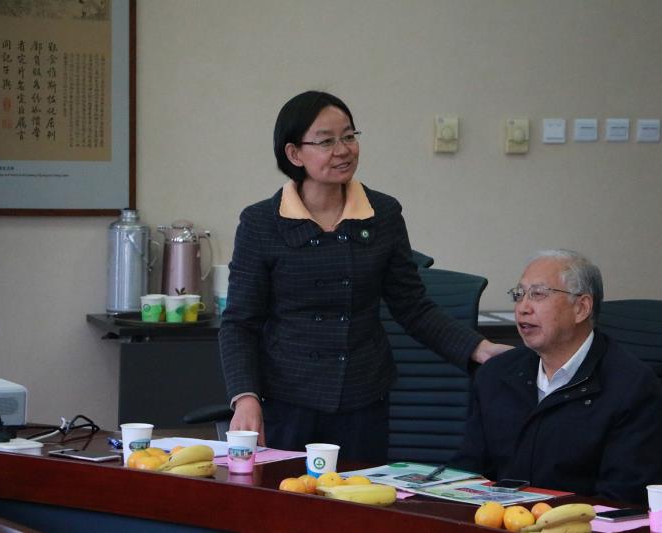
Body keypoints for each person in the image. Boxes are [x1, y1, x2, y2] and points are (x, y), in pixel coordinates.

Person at [219, 90, 512, 463]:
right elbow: (240, 323)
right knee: (286, 496)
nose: (343, 150)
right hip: (287, 400)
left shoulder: (382, 213)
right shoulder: (261, 222)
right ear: (294, 154)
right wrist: (245, 397)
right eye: (326, 141)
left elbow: (413, 306)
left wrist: (477, 348)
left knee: (358, 495)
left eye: (349, 136)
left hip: (362, 400)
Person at [450, 249, 662, 504]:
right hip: (498, 519)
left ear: (581, 308)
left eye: (538, 294)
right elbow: (467, 473)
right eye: (519, 295)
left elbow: (624, 498)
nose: (522, 308)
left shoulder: (631, 386)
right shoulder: (495, 374)